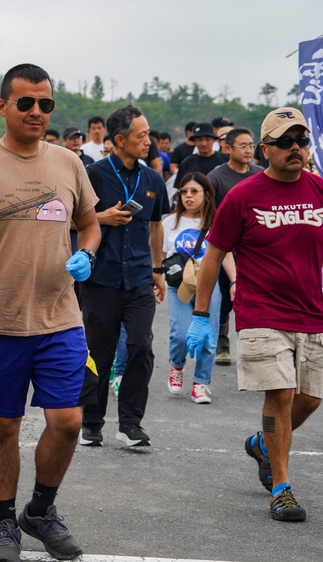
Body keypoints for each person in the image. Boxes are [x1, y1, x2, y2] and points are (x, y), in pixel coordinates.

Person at [0, 63, 100, 562]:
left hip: (60, 318)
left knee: (68, 420)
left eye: (46, 104)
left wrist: (88, 253)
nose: (37, 112)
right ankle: (4, 524)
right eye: (26, 103)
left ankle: (41, 509)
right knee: (3, 427)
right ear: (2, 106)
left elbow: (89, 223)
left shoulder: (68, 163)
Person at [187, 107, 323, 523]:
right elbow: (213, 256)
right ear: (265, 149)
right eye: (285, 142)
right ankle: (281, 488)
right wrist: (200, 314)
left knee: (311, 398)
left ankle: (264, 446)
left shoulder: (319, 188)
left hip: (313, 312)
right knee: (280, 395)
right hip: (261, 311)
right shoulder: (243, 196)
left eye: (300, 141)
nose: (295, 148)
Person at [80, 105, 170, 448]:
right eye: (141, 135)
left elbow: (156, 225)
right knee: (98, 354)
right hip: (101, 278)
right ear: (120, 140)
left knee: (140, 347)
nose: (148, 141)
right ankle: (91, 422)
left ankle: (131, 423)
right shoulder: (94, 174)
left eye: (148, 134)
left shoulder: (152, 179)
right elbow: (69, 220)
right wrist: (101, 217)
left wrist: (158, 269)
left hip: (139, 279)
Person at [162, 172, 234, 403]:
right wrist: (153, 279)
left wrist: (234, 281)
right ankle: (177, 365)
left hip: (209, 287)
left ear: (207, 195)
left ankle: (201, 383)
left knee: (208, 336)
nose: (189, 196)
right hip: (179, 287)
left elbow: (226, 255)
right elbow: (160, 256)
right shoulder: (169, 222)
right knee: (180, 335)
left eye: (194, 191)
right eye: (184, 192)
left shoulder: (216, 222)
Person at [207, 127, 263, 366]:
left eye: (251, 145)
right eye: (243, 145)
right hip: (224, 249)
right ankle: (222, 341)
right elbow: (208, 216)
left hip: (257, 250)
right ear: (228, 148)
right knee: (224, 298)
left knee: (257, 299)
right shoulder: (216, 178)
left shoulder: (262, 174)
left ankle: (257, 346)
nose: (249, 150)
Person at [174, 123, 228, 188]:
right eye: (199, 140)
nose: (204, 143)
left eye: (207, 139)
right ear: (194, 141)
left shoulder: (225, 159)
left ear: (214, 140)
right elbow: (180, 188)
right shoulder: (187, 163)